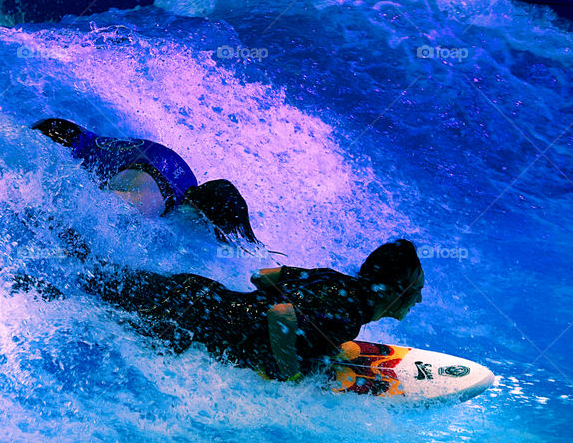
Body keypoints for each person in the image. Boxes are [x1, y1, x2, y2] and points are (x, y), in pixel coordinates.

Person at [61, 239, 425, 380]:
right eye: (416, 291)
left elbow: (262, 277)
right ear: (394, 292)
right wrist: (291, 372)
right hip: (193, 319)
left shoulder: (333, 279)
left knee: (96, 276)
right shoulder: (347, 318)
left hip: (199, 294)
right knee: (85, 301)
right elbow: (281, 314)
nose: (419, 299)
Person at [32, 118, 259, 244]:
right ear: (201, 217)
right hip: (52, 141)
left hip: (67, 128)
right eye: (210, 230)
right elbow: (86, 209)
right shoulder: (149, 200)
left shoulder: (187, 180)